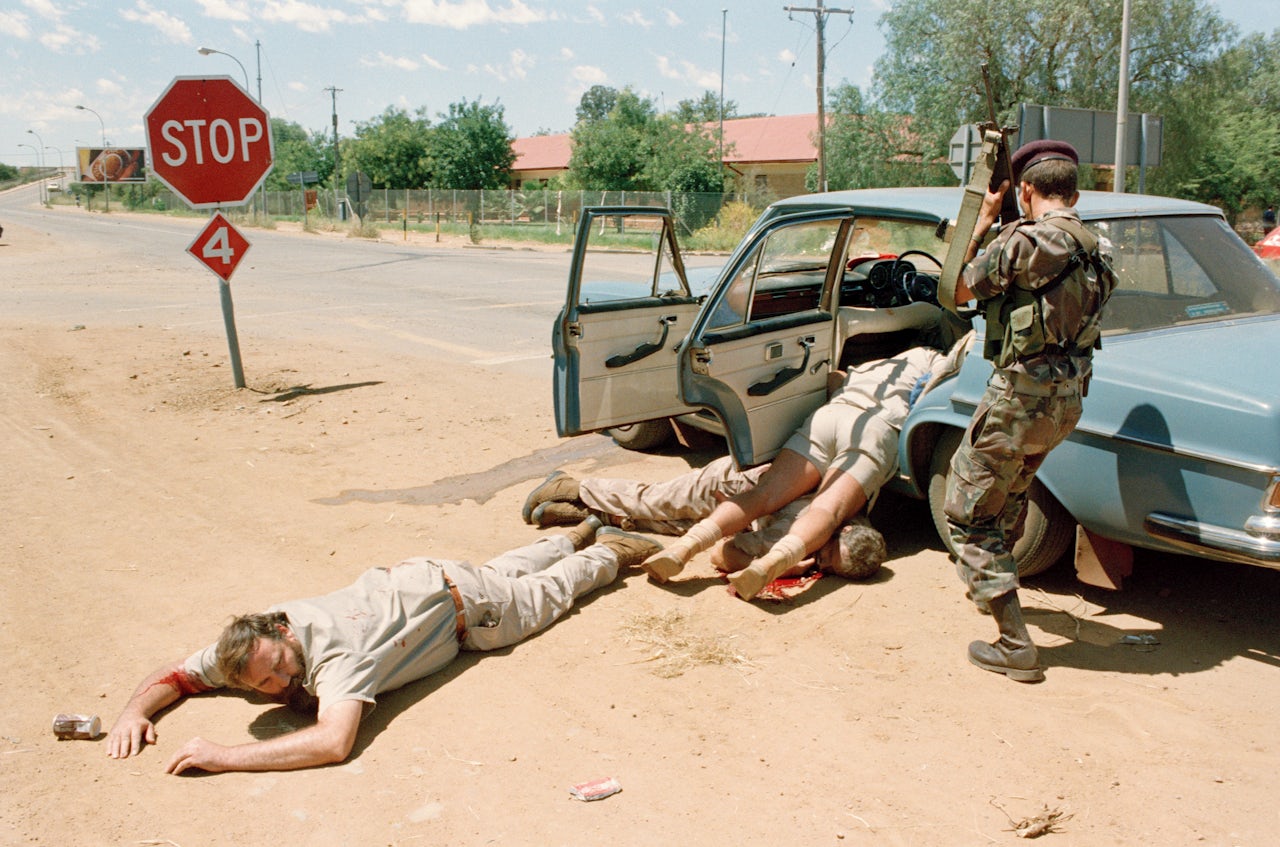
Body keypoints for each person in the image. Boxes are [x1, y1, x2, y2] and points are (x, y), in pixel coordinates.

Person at [106, 520, 659, 774]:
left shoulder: (337, 656)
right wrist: (135, 710)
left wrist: (224, 757)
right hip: (428, 576)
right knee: (508, 569)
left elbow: (332, 743)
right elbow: (177, 673)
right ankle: (572, 530)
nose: (277, 687)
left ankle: (608, 549)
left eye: (277, 670)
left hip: (472, 612)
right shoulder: (252, 643)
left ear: (281, 633)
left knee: (551, 591)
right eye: (262, 686)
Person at [529, 335, 968, 601]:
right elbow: (736, 551)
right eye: (828, 562)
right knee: (665, 501)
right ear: (849, 532)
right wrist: (788, 563)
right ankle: (578, 488)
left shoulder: (893, 363)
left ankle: (610, 522)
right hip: (745, 477)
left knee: (689, 516)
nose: (823, 564)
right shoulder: (822, 521)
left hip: (836, 417)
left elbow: (835, 380)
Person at [945, 139, 1115, 683]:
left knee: (968, 513)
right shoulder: (1097, 244)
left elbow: (957, 290)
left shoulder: (1023, 241)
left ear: (1026, 191)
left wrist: (985, 220)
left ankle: (1014, 643)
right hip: (1066, 402)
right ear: (1075, 192)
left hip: (1018, 400)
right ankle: (997, 590)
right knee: (1009, 494)